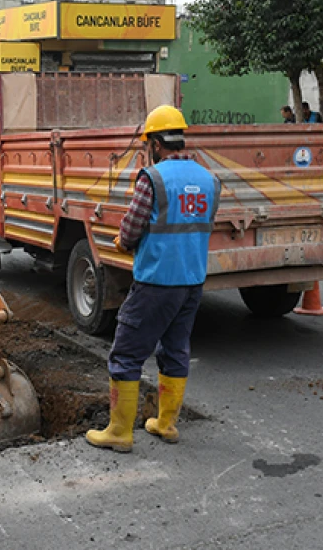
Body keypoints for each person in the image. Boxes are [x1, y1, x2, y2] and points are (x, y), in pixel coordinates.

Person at [86, 105, 219, 453]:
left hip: (157, 281)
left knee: (126, 353)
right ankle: (165, 423)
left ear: (157, 143)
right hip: (192, 281)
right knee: (175, 349)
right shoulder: (209, 180)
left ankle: (119, 432)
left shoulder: (153, 178)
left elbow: (132, 227)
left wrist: (124, 241)